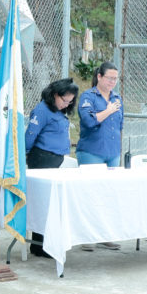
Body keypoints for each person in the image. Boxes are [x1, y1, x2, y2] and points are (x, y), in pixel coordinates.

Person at [25, 78, 77, 258]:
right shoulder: (42, 110)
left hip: (54, 160)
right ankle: (39, 245)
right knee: (43, 202)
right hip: (42, 159)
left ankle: (43, 243)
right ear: (55, 95)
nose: (66, 104)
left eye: (70, 101)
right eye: (64, 100)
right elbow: (31, 135)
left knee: (48, 202)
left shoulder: (58, 110)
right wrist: (26, 153)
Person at [76, 61, 124, 167]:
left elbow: (120, 125)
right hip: (92, 152)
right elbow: (88, 121)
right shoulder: (88, 96)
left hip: (113, 153)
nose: (112, 82)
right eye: (109, 78)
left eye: (115, 79)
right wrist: (108, 111)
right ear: (99, 76)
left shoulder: (117, 98)